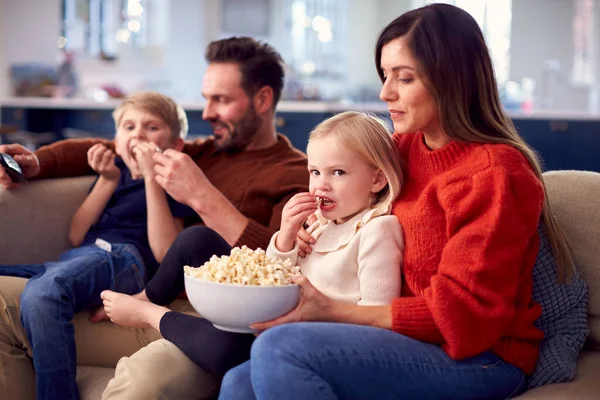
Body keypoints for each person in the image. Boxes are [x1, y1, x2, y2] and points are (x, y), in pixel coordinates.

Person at [218, 4, 575, 400]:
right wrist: (311, 230)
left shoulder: (494, 173)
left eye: (404, 78)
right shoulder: (403, 149)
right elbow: (348, 193)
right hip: (408, 341)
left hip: (481, 357)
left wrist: (333, 312)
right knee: (236, 381)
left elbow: (463, 316)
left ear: (451, 80)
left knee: (279, 349)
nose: (386, 93)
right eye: (385, 76)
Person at [0, 37, 309, 400]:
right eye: (206, 97)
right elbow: (108, 147)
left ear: (262, 100)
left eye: (220, 100)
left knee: (146, 381)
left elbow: (281, 270)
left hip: (207, 327)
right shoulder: (208, 150)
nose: (206, 112)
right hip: (145, 301)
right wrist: (38, 163)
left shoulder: (295, 172)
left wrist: (204, 197)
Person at [98, 111, 405, 376]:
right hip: (277, 311)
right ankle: (148, 296)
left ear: (377, 181)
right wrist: (285, 237)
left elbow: (377, 318)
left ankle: (148, 315)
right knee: (196, 238)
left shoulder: (377, 230)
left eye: (338, 172)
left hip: (308, 337)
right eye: (314, 172)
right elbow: (275, 276)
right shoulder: (322, 224)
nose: (321, 184)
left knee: (222, 346)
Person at [0, 91, 197, 400]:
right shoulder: (112, 176)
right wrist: (106, 180)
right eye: (129, 127)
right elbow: (77, 235)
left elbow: (165, 253)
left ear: (175, 145)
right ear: (116, 141)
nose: (138, 135)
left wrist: (150, 178)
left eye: (151, 127)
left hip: (124, 259)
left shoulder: (170, 182)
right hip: (81, 256)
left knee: (43, 293)